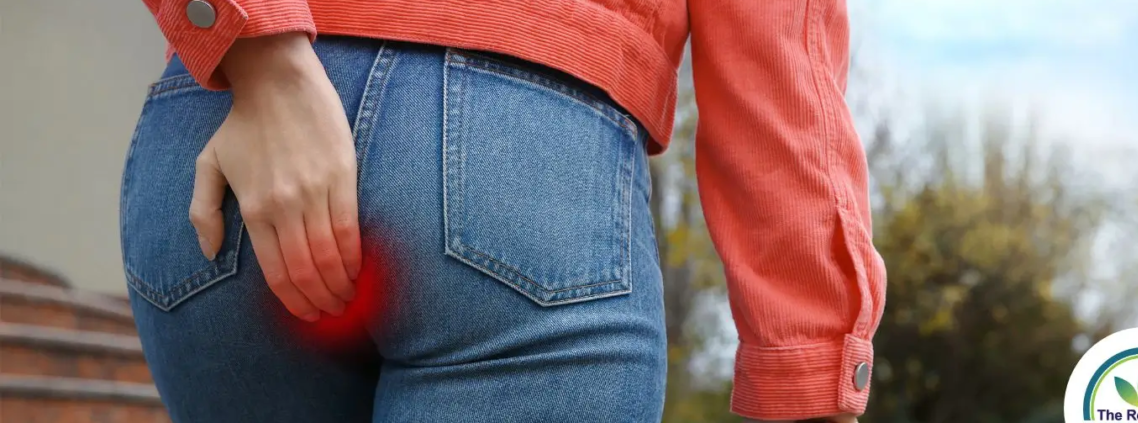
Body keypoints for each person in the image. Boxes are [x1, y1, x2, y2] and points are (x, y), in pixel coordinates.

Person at [120, 0, 886, 421]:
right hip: (522, 162)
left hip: (231, 151)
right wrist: (809, 366)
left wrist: (259, 49)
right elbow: (778, 47)